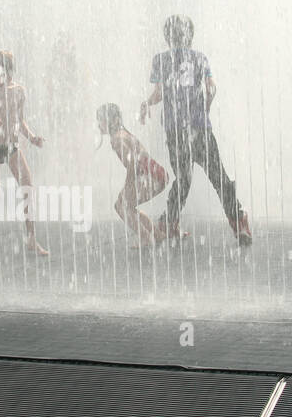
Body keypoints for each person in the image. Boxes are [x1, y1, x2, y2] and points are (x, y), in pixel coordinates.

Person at [139, 14, 253, 246]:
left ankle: (167, 223)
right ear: (190, 35)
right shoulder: (199, 58)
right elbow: (212, 89)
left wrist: (146, 104)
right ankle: (239, 221)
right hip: (199, 127)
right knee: (219, 177)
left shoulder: (161, 59)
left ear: (167, 36)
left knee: (183, 179)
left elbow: (160, 93)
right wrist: (204, 110)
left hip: (175, 130)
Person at [0, 51, 48, 258]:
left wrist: (32, 137)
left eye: (5, 69)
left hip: (11, 146)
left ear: (10, 70)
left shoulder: (18, 91)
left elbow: (20, 120)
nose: (1, 74)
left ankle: (31, 238)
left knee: (27, 188)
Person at [98, 102, 168, 247]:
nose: (98, 124)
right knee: (121, 205)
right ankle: (157, 234)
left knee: (123, 206)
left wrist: (128, 185)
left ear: (110, 120)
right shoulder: (123, 134)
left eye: (101, 120)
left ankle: (146, 238)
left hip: (151, 177)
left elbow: (132, 165)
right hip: (156, 174)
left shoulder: (117, 139)